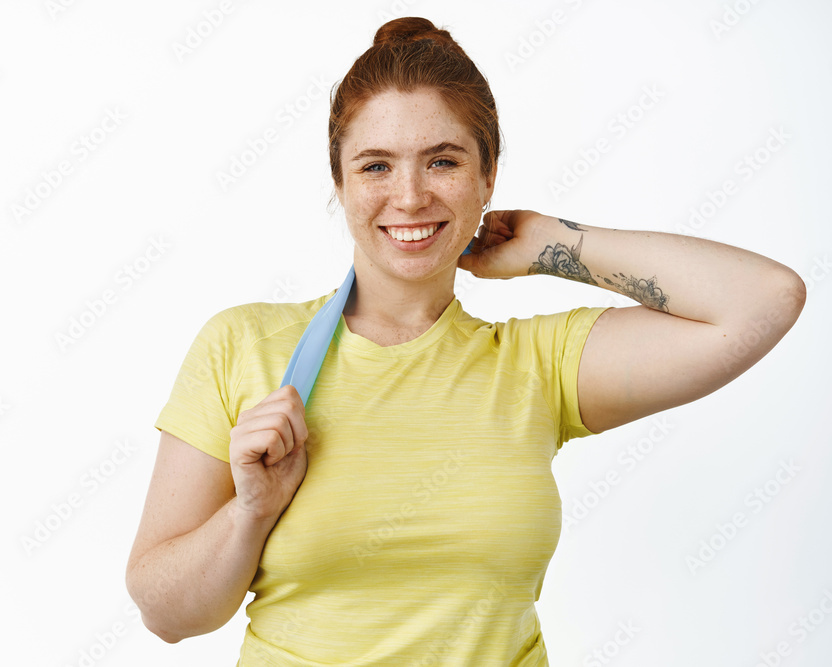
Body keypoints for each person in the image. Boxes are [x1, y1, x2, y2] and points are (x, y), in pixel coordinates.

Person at [125, 16, 806, 666]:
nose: (410, 196)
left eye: (443, 162)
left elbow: (764, 300)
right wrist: (251, 510)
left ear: (488, 176)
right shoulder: (246, 347)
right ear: (339, 181)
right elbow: (166, 613)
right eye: (375, 166)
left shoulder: (538, 367)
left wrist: (555, 246)